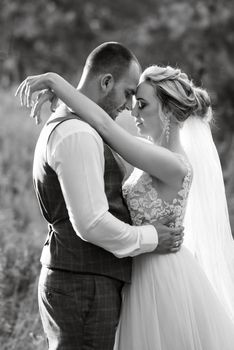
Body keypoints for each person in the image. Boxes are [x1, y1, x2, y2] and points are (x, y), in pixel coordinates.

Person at [17, 63, 234, 349]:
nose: (133, 111)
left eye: (142, 104)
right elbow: (102, 123)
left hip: (160, 276)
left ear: (167, 110)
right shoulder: (152, 154)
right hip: (137, 268)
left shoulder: (172, 164)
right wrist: (64, 104)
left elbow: (105, 126)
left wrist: (56, 82)